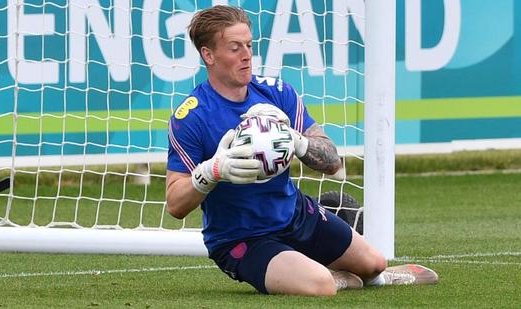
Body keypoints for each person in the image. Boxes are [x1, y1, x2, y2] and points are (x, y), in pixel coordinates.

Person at [166, 5, 438, 296]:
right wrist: (210, 172)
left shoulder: (277, 93)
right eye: (235, 48)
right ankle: (327, 275)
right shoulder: (191, 117)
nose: (247, 55)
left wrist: (298, 141)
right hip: (242, 239)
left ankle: (347, 271)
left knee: (374, 263)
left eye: (249, 45)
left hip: (295, 215)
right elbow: (175, 204)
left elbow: (332, 162)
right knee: (320, 286)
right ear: (208, 55)